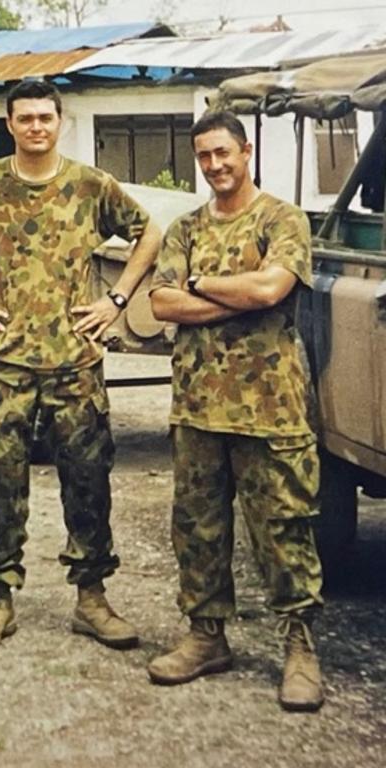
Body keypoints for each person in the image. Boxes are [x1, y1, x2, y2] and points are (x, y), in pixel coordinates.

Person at [0, 79, 161, 653]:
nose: (35, 126)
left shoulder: (89, 185)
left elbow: (149, 231)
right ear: (10, 124)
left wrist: (118, 300)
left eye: (45, 117)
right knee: (0, 484)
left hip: (74, 362)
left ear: (60, 121)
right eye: (25, 117)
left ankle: (92, 598)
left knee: (88, 481)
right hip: (6, 363)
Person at [147, 110, 325, 711]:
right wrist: (229, 294)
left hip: (269, 409)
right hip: (197, 408)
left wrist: (199, 285)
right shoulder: (186, 226)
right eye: (204, 157)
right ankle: (206, 636)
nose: (215, 165)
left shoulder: (282, 218)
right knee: (198, 531)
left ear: (245, 152)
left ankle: (299, 648)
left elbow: (273, 290)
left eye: (224, 153)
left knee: (282, 531)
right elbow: (161, 304)